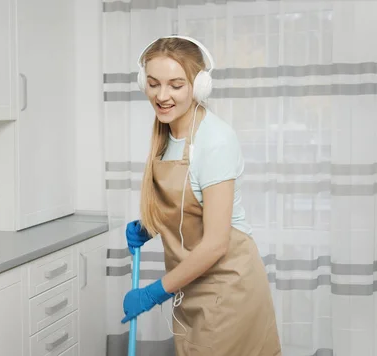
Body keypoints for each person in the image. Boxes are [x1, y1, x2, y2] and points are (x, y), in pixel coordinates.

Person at [120, 35, 282, 356]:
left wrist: (153, 293)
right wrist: (152, 225)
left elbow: (215, 244)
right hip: (189, 284)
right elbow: (186, 207)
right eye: (153, 84)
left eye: (176, 85)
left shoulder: (215, 139)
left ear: (200, 85)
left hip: (228, 286)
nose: (162, 96)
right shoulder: (166, 134)